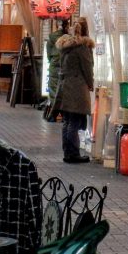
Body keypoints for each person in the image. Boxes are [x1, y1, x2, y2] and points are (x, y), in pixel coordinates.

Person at [53, 17, 94, 164]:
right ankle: (74, 154)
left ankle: (67, 152)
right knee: (74, 122)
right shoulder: (82, 47)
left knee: (67, 121)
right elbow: (87, 68)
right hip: (77, 87)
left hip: (64, 86)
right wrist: (91, 84)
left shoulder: (65, 46)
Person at [45, 20, 69, 121]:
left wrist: (53, 60)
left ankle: (53, 115)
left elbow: (49, 54)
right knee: (65, 92)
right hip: (66, 67)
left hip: (54, 66)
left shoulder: (51, 37)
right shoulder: (69, 38)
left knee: (54, 91)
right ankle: (64, 115)